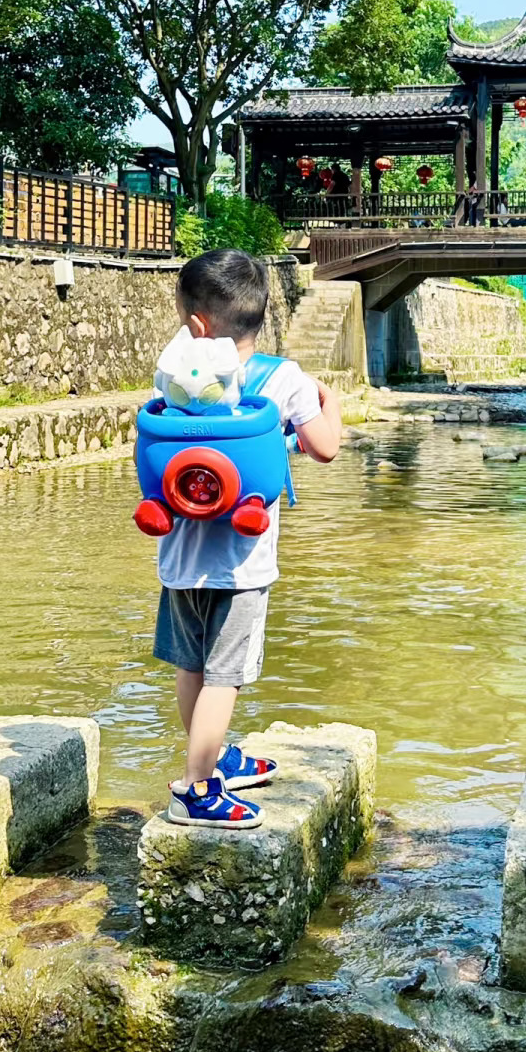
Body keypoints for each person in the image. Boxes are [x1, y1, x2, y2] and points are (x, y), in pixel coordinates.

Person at [153, 249, 342, 829]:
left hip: (180, 558)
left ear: (195, 324)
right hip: (242, 565)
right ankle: (198, 786)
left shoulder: (177, 380)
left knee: (192, 666)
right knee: (224, 676)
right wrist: (330, 403)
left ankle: (213, 756)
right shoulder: (283, 378)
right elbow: (324, 446)